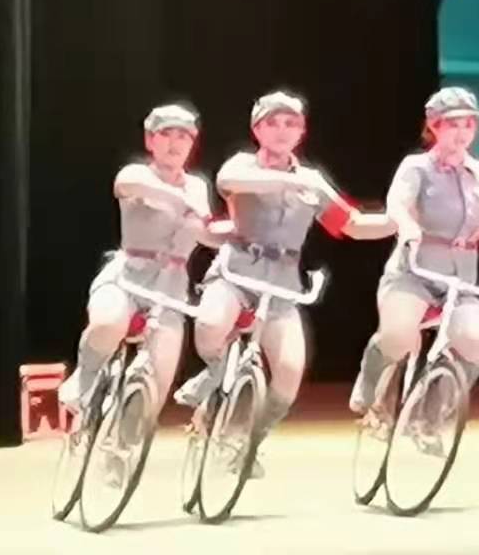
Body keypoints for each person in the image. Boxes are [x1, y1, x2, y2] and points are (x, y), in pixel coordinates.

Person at [174, 90, 393, 476]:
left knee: (290, 373)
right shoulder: (243, 165)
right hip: (236, 273)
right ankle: (213, 376)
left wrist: (399, 222)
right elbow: (228, 180)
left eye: (290, 123)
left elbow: (351, 224)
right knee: (210, 323)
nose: (281, 130)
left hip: (280, 287)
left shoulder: (311, 180)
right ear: (257, 129)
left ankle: (249, 442)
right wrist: (285, 184)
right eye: (272, 123)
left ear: (301, 131)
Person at [349, 87, 479, 420]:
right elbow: (398, 204)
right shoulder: (416, 167)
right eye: (453, 124)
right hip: (415, 273)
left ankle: (430, 417)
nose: (462, 132)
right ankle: (370, 379)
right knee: (398, 335)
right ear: (434, 126)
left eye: (469, 124)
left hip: (460, 280)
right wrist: (408, 227)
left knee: (473, 341)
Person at [59, 103, 219, 415]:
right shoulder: (136, 173)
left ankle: (125, 440)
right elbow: (126, 186)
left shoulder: (197, 186)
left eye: (183, 136)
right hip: (127, 277)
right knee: (108, 323)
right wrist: (180, 200)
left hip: (170, 290)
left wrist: (235, 237)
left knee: (155, 390)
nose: (174, 143)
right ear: (150, 140)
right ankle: (85, 377)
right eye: (166, 134)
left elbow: (203, 229)